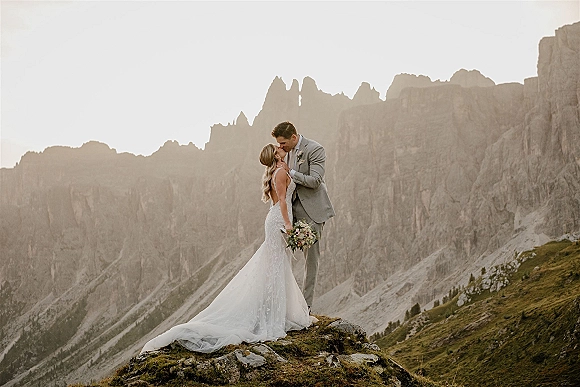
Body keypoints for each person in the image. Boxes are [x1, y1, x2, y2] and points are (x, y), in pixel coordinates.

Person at [139, 144, 311, 355]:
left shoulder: (280, 169)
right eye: (277, 147)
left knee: (276, 265)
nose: (281, 147)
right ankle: (272, 316)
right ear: (275, 156)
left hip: (274, 219)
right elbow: (283, 201)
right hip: (279, 221)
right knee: (275, 266)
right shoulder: (282, 172)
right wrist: (289, 227)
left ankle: (277, 312)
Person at [272, 121, 335, 310]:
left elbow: (315, 181)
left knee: (311, 261)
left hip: (312, 212)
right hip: (288, 213)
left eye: (283, 143)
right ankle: (281, 304)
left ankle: (305, 307)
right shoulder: (283, 153)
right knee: (277, 255)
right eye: (278, 144)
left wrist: (290, 171)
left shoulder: (314, 149)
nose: (280, 147)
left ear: (293, 137)